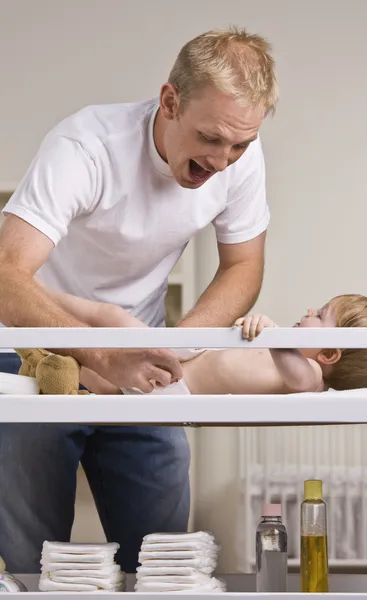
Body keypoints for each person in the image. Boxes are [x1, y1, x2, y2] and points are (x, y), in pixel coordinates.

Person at [0, 28, 278, 572]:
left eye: (239, 144)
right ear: (169, 101)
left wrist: (174, 350)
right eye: (211, 138)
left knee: (164, 560)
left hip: (139, 355)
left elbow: (243, 267)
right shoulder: (86, 146)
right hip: (35, 354)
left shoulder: (241, 154)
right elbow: (7, 276)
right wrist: (104, 354)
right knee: (31, 561)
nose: (224, 161)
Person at [40, 285, 367, 395]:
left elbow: (295, 375)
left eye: (321, 315)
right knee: (111, 316)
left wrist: (274, 335)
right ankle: (42, 294)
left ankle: (41, 357)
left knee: (100, 382)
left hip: (175, 386)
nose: (310, 310)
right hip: (188, 353)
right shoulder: (305, 360)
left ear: (328, 353)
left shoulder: (311, 378)